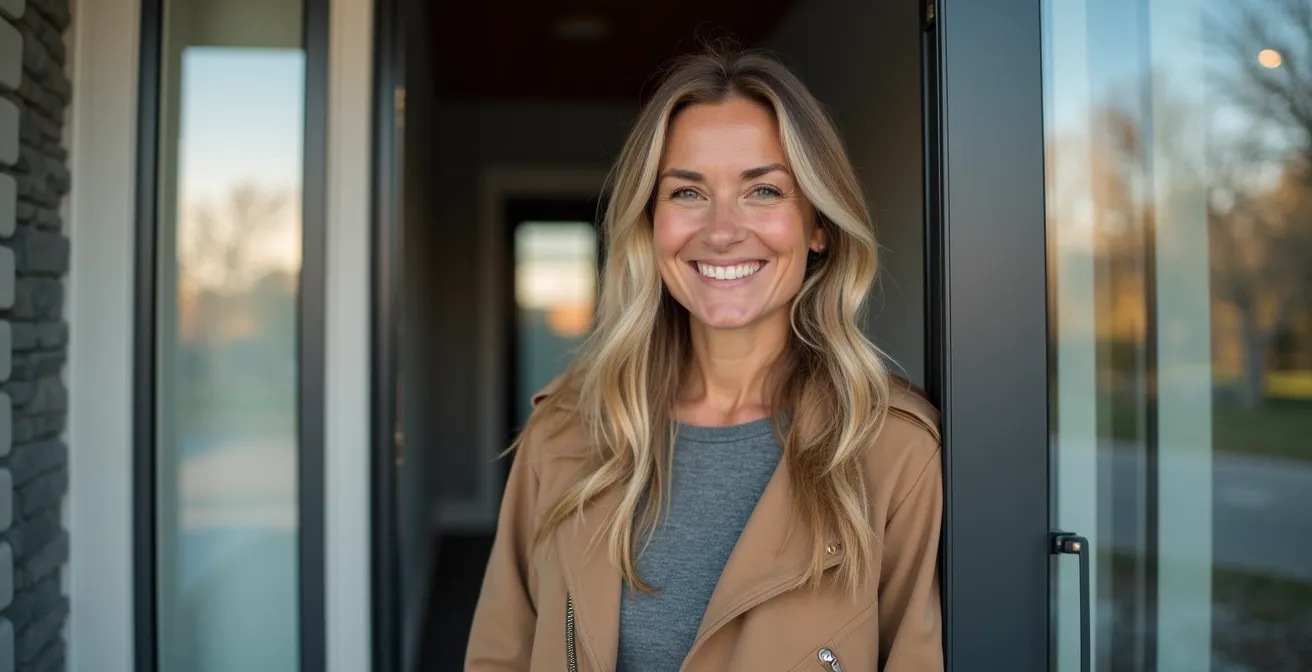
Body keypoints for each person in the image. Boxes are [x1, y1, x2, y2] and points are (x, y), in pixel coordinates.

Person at [465, 46, 943, 672]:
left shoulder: (893, 453)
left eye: (764, 190)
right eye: (687, 192)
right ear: (651, 221)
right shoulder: (565, 431)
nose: (721, 231)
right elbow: (499, 657)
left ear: (817, 224)